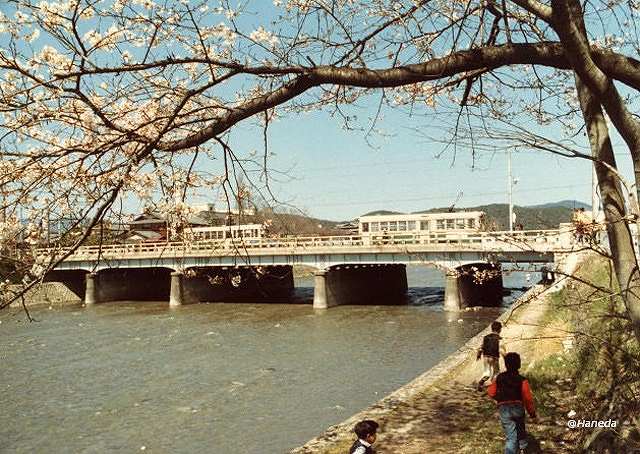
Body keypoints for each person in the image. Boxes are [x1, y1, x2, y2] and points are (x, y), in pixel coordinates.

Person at [487, 352, 537, 454]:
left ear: (505, 365)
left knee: (511, 437)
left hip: (504, 409)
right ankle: (523, 448)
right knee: (520, 428)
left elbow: (491, 392)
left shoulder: (499, 377)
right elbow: (528, 399)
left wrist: (499, 399)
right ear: (519, 365)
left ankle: (512, 450)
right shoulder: (522, 380)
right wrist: (532, 413)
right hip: (518, 408)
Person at [476, 321, 505, 391]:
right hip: (494, 357)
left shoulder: (486, 337)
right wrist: (506, 358)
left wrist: (479, 355)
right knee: (496, 372)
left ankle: (481, 382)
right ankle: (494, 387)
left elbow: (480, 347)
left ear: (491, 329)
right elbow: (501, 350)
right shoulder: (500, 339)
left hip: (486, 356)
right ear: (500, 330)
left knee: (487, 372)